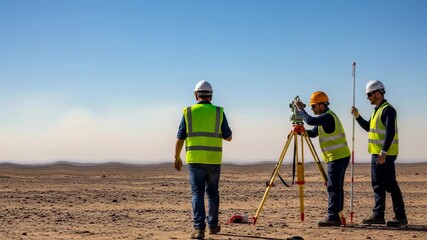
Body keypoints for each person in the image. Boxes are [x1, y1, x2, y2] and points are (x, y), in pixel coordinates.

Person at [174, 80, 232, 239]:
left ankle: (199, 229)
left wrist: (177, 157)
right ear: (211, 96)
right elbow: (229, 137)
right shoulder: (219, 112)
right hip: (213, 159)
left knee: (197, 193)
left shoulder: (188, 112)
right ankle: (213, 226)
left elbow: (180, 138)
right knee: (212, 193)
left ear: (195, 95)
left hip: (195, 159)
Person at [351, 80, 407, 227]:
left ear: (377, 93)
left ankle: (401, 217)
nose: (367, 97)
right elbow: (369, 127)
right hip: (376, 154)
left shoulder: (388, 110)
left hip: (385, 155)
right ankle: (378, 215)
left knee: (390, 186)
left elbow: (390, 132)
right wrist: (357, 116)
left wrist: (384, 151)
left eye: (369, 94)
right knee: (377, 185)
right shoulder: (377, 110)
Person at [294, 91, 350, 227]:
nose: (312, 109)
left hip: (337, 157)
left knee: (333, 187)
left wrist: (301, 109)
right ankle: (336, 213)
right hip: (338, 156)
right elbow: (313, 133)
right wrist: (300, 131)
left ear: (322, 105)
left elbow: (310, 120)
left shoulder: (328, 117)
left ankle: (333, 217)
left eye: (313, 107)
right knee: (336, 187)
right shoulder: (324, 118)